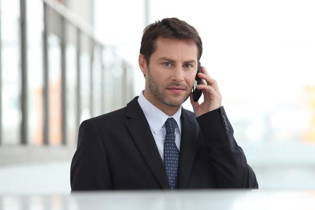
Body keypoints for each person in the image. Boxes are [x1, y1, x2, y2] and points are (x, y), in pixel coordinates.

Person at [70, 17, 258, 190]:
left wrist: (214, 119)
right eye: (167, 64)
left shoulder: (209, 132)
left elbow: (246, 191)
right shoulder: (99, 133)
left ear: (199, 71)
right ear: (143, 64)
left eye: (188, 65)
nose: (179, 77)